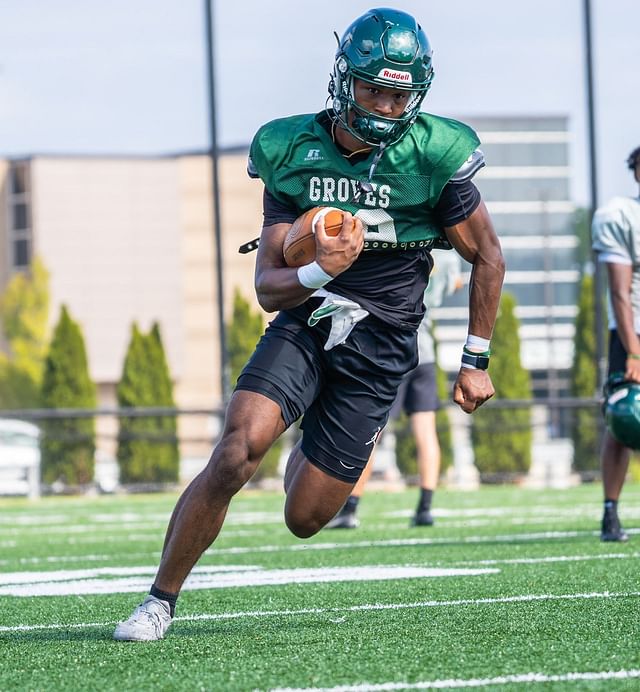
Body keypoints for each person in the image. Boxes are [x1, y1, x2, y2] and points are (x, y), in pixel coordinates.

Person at [113, 8, 505, 641]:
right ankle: (159, 601)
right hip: (305, 323)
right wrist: (321, 269)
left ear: (418, 92)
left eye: (397, 92)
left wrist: (475, 359)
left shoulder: (433, 151)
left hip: (381, 348)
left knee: (306, 516)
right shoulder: (293, 147)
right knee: (237, 452)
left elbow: (488, 255)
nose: (382, 104)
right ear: (343, 81)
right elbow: (269, 288)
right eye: (371, 87)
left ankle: (321, 428)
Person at [326, 249, 463, 529]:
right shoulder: (448, 257)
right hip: (426, 354)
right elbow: (455, 282)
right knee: (426, 432)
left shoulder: (410, 248)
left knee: (372, 432)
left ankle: (350, 508)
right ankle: (425, 508)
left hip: (397, 352)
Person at [591, 144, 640, 542]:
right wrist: (634, 351)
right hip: (633, 333)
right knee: (624, 418)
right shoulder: (621, 215)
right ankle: (610, 511)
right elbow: (620, 292)